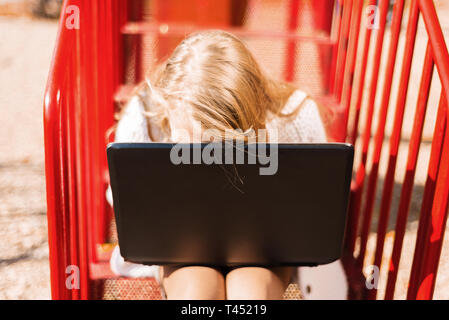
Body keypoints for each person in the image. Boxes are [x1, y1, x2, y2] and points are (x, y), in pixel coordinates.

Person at [107, 30, 328, 300]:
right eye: (187, 147)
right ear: (168, 106)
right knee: (197, 296)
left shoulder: (293, 116)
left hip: (266, 251)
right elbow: (129, 210)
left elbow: (314, 209)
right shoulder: (143, 117)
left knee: (250, 296)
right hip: (179, 251)